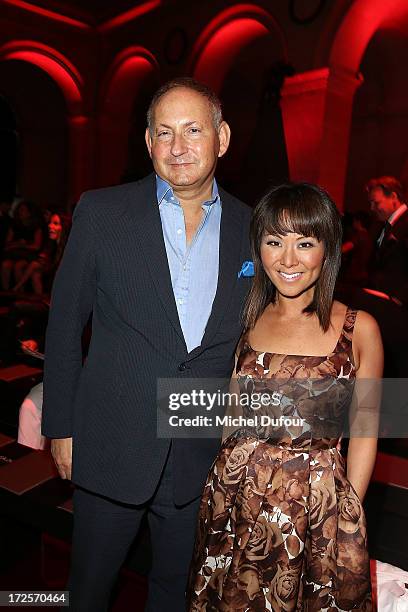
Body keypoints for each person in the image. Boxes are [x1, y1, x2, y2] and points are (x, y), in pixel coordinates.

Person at [41, 77, 252, 611]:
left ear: (222, 138)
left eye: (193, 130)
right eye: (164, 132)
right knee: (87, 593)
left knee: (175, 594)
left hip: (200, 454)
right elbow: (65, 326)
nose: (178, 147)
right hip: (110, 444)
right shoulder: (101, 212)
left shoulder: (256, 228)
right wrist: (61, 429)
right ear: (147, 143)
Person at [187, 183, 383, 611]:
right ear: (259, 248)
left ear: (328, 250)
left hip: (316, 505)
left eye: (305, 242)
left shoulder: (359, 327)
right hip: (237, 495)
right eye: (274, 241)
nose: (288, 259)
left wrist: (344, 516)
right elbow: (233, 414)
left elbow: (366, 434)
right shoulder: (247, 317)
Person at [366, 176, 408, 306]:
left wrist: (400, 298)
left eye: (376, 203)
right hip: (382, 301)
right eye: (370, 203)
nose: (372, 208)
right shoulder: (383, 226)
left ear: (394, 197)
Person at [13, 210, 71, 295]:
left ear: (64, 227)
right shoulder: (52, 243)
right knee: (35, 273)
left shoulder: (69, 247)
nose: (50, 226)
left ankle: (18, 289)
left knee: (34, 267)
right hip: (50, 270)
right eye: (50, 222)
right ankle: (40, 301)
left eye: (55, 223)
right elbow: (46, 257)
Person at [1, 200, 44, 290]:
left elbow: (36, 246)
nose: (20, 212)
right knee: (5, 265)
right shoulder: (14, 225)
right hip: (14, 254)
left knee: (18, 266)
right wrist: (17, 244)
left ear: (29, 213)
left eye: (23, 210)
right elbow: (7, 242)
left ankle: (20, 292)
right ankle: (6, 292)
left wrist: (23, 245)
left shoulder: (36, 227)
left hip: (28, 255)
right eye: (19, 210)